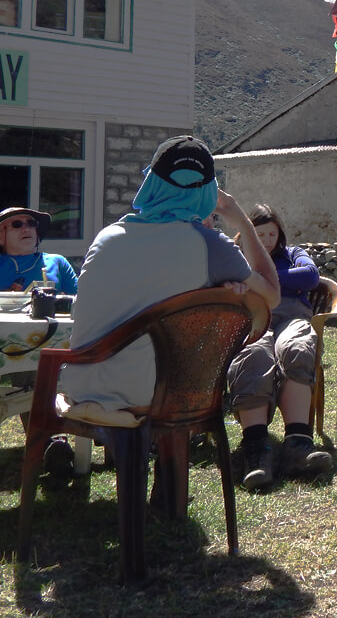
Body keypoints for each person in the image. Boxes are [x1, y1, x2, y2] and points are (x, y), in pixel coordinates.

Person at [58, 136, 280, 428]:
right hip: (159, 395)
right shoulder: (210, 246)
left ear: (151, 182)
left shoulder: (107, 236)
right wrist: (243, 223)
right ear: (209, 191)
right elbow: (272, 295)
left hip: (83, 388)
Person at [227, 204, 332, 488]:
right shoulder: (237, 256)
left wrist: (261, 280)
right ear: (248, 234)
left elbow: (310, 276)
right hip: (255, 319)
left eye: (272, 234)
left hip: (292, 317)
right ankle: (256, 450)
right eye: (260, 234)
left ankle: (297, 444)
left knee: (297, 346)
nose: (266, 241)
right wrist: (277, 282)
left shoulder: (293, 254)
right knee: (253, 354)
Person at [0, 207, 78, 294]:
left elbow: (82, 298)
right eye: (17, 224)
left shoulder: (57, 262)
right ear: (1, 236)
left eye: (31, 223)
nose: (27, 229)